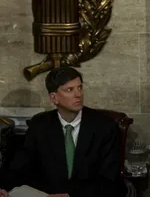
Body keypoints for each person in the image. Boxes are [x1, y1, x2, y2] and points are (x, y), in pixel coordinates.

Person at [0, 66, 126, 197]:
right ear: (54, 98)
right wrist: (3, 187)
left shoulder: (105, 127)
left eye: (80, 87)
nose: (78, 94)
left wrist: (69, 195)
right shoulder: (40, 125)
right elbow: (19, 166)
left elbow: (109, 179)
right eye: (70, 90)